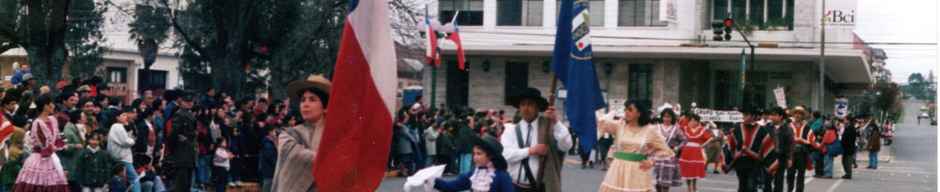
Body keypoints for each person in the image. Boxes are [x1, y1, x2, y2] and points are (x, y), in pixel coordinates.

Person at [500, 87, 572, 192]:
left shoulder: (549, 127)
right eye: (523, 104)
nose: (525, 108)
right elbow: (505, 155)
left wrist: (555, 121)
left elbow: (567, 145)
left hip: (541, 188)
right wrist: (530, 151)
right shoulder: (511, 130)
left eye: (530, 104)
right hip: (515, 187)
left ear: (538, 107)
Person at [596, 100, 674, 192]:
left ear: (639, 113)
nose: (626, 112)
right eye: (625, 110)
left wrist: (652, 162)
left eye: (630, 110)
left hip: (638, 170)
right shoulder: (619, 125)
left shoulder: (650, 130)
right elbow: (600, 122)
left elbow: (664, 149)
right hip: (618, 169)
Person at [271, 75, 330, 192]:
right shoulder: (289, 134)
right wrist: (333, 162)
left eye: (312, 99)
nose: (305, 104)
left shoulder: (336, 135)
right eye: (303, 100)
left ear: (326, 107)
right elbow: (294, 155)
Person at [12, 93, 69, 191]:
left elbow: (57, 139)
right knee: (39, 184)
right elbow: (44, 145)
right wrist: (52, 148)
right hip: (40, 157)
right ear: (46, 106)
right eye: (51, 103)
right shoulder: (37, 123)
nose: (54, 106)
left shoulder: (52, 120)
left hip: (52, 157)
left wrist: (57, 146)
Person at [429, 135, 513, 192]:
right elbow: (451, 186)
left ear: (490, 156)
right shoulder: (473, 174)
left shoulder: (501, 176)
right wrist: (431, 179)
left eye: (479, 154)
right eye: (474, 153)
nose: (474, 157)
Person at [722, 107, 776, 192]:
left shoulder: (762, 130)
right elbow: (731, 145)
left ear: (753, 116)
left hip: (754, 162)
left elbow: (767, 146)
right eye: (743, 114)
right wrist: (728, 159)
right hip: (740, 162)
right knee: (742, 186)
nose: (744, 116)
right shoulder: (737, 129)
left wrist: (768, 163)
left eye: (746, 114)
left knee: (751, 187)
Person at [168, 93, 197, 192]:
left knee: (187, 183)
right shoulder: (179, 114)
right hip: (182, 152)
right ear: (182, 102)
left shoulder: (190, 114)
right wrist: (173, 150)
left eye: (191, 101)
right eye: (187, 101)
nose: (189, 103)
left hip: (189, 152)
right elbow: (173, 135)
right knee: (181, 184)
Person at [678, 114, 713, 192]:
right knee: (687, 170)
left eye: (695, 120)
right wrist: (681, 118)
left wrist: (703, 145)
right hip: (686, 150)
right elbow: (678, 125)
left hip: (696, 151)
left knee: (694, 170)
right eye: (691, 120)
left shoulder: (701, 130)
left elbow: (710, 137)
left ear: (698, 122)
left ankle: (694, 187)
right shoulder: (686, 128)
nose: (693, 122)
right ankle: (688, 188)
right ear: (689, 121)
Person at [653, 108, 686, 192]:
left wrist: (676, 149)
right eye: (665, 116)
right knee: (657, 183)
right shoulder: (656, 128)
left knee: (665, 184)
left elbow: (684, 140)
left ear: (672, 118)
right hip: (658, 157)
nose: (666, 119)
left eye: (669, 117)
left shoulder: (676, 129)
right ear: (662, 117)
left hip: (669, 159)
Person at [109, 108, 141, 192]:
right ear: (117, 117)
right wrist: (133, 140)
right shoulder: (116, 126)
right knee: (134, 177)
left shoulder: (122, 127)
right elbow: (125, 141)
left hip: (124, 156)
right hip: (122, 157)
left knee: (122, 179)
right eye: (123, 115)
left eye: (126, 115)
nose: (125, 117)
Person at [762, 107, 793, 192]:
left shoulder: (788, 128)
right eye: (771, 115)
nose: (772, 117)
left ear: (781, 116)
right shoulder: (765, 127)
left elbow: (791, 144)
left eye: (775, 115)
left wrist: (790, 158)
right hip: (768, 157)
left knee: (779, 181)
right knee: (766, 180)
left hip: (781, 157)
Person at [786, 106, 815, 192]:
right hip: (791, 154)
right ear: (793, 115)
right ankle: (790, 189)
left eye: (800, 114)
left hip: (801, 153)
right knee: (790, 174)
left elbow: (811, 139)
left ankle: (799, 190)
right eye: (796, 113)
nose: (797, 115)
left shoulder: (806, 128)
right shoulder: (788, 127)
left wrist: (802, 141)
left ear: (803, 116)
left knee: (801, 175)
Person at [62, 109, 87, 192]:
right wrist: (75, 146)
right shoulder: (68, 131)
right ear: (78, 119)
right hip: (71, 164)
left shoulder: (80, 129)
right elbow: (63, 146)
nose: (85, 118)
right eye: (83, 116)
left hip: (78, 163)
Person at [259, 126, 278, 192]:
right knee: (267, 186)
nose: (275, 133)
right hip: (269, 170)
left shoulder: (269, 143)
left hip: (270, 169)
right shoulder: (267, 144)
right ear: (270, 132)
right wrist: (277, 164)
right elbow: (270, 157)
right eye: (274, 131)